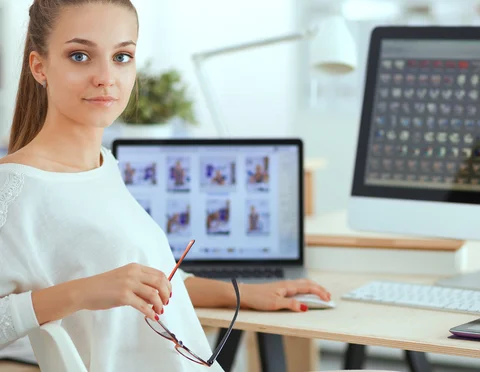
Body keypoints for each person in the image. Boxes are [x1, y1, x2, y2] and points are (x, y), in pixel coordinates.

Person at [0, 1, 331, 371]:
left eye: (122, 56)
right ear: (39, 67)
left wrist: (244, 294)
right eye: (80, 56)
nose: (106, 77)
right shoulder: (14, 190)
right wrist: (83, 292)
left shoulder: (104, 166)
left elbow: (147, 285)